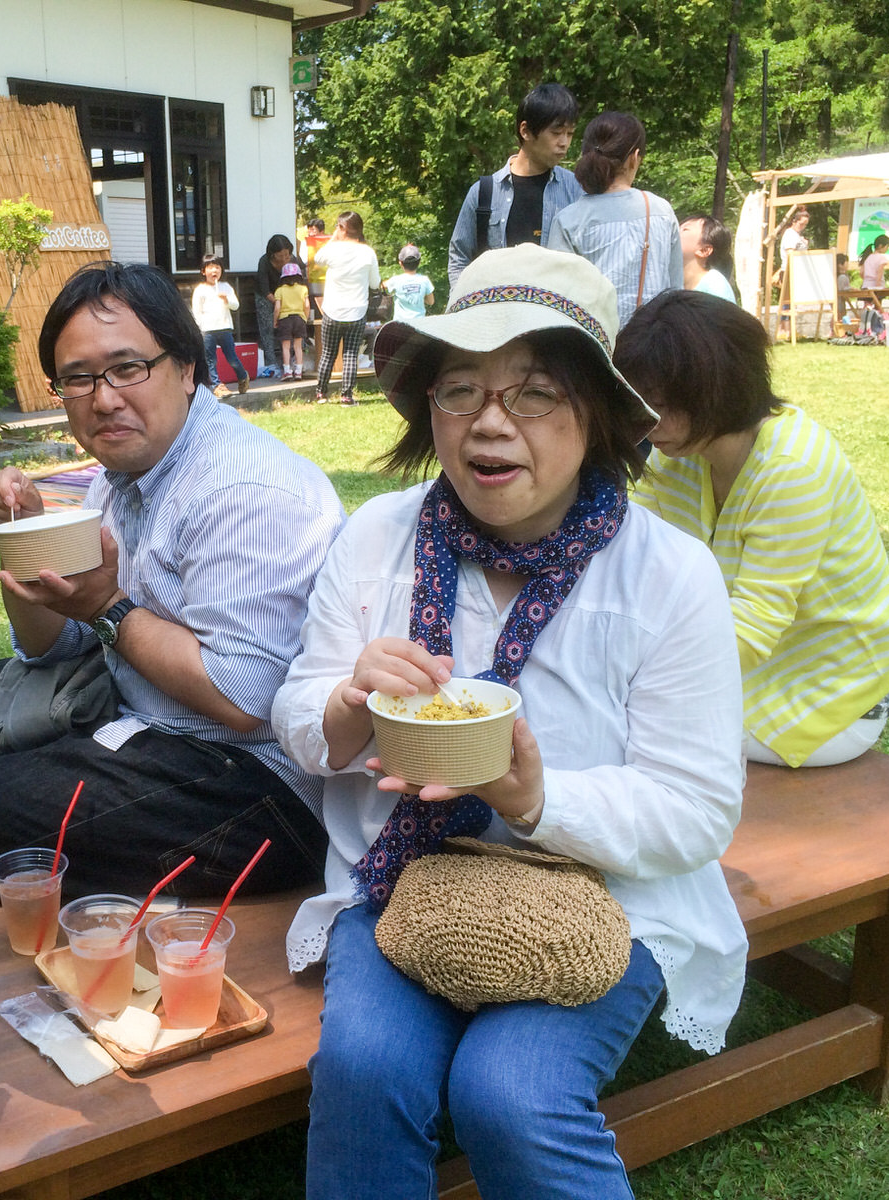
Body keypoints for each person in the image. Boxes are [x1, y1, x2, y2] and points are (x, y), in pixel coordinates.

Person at [273, 243, 746, 1200]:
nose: (490, 424)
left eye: (533, 393)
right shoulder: (379, 538)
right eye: (460, 390)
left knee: (511, 1093)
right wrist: (346, 702)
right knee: (365, 1071)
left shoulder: (667, 573)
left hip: (603, 891)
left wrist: (535, 797)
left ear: (599, 413)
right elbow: (298, 713)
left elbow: (697, 810)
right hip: (402, 874)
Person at [0, 261, 346, 912]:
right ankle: (46, 925)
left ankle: (5, 958)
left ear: (186, 368)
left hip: (267, 785)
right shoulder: (122, 474)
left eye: (128, 368)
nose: (103, 398)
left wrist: (106, 606)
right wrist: (23, 543)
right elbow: (51, 648)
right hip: (164, 729)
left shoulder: (238, 489)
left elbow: (247, 701)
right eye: (78, 378)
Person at [617, 289, 889, 767]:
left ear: (716, 389)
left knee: (633, 737)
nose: (645, 422)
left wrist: (632, 671)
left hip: (828, 697)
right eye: (636, 403)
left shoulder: (791, 469)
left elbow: (751, 628)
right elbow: (628, 558)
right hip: (741, 668)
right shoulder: (680, 456)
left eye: (659, 405)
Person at [547, 110, 682, 329]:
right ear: (634, 158)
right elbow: (676, 293)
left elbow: (558, 301)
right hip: (653, 351)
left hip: (594, 352)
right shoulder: (661, 211)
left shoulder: (568, 220)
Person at [447, 82, 582, 289]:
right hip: (494, 316)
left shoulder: (576, 190)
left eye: (570, 133)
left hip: (557, 316)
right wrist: (463, 306)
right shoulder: (484, 193)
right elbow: (459, 257)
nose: (564, 143)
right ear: (526, 131)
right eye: (556, 133)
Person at [313, 210, 381, 405]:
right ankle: (346, 396)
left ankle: (321, 393)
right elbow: (375, 283)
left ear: (343, 229)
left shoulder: (334, 250)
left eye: (337, 226)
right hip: (357, 311)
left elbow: (317, 258)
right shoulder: (368, 252)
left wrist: (333, 239)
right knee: (351, 353)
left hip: (332, 310)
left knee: (328, 353)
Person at [191, 254, 249, 396]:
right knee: (211, 359)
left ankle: (242, 376)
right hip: (207, 330)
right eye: (210, 267)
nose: (214, 271)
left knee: (232, 358)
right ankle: (217, 385)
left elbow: (236, 306)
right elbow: (196, 311)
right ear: (203, 271)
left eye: (217, 267)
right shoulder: (200, 289)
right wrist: (199, 329)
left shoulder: (226, 287)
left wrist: (227, 299)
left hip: (224, 327)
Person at [255, 235, 298, 374]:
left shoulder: (293, 260)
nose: (285, 258)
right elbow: (264, 288)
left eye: (287, 254)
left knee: (291, 325)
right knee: (267, 326)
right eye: (281, 255)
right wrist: (277, 301)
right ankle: (271, 362)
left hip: (288, 296)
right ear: (273, 254)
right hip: (267, 296)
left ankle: (293, 360)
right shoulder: (264, 262)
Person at [678, 213, 737, 302]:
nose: (674, 232)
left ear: (704, 250)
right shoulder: (670, 281)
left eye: (685, 229)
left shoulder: (715, 287)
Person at [774, 208, 812, 337]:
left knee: (791, 301)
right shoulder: (790, 234)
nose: (803, 227)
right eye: (801, 224)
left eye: (805, 225)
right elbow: (790, 253)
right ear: (794, 221)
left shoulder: (796, 235)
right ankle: (785, 329)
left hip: (797, 271)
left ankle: (788, 328)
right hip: (789, 270)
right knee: (787, 301)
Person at [274, 260, 311, 380]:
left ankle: (287, 371)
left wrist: (275, 320)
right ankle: (299, 371)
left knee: (286, 347)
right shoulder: (303, 289)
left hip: (285, 319)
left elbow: (277, 307)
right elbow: (306, 305)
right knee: (298, 346)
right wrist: (305, 317)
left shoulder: (279, 290)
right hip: (299, 318)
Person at [382, 243, 435, 320]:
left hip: (400, 325)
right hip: (419, 324)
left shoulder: (396, 280)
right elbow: (431, 302)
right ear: (419, 262)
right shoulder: (425, 280)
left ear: (400, 263)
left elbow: (381, 285)